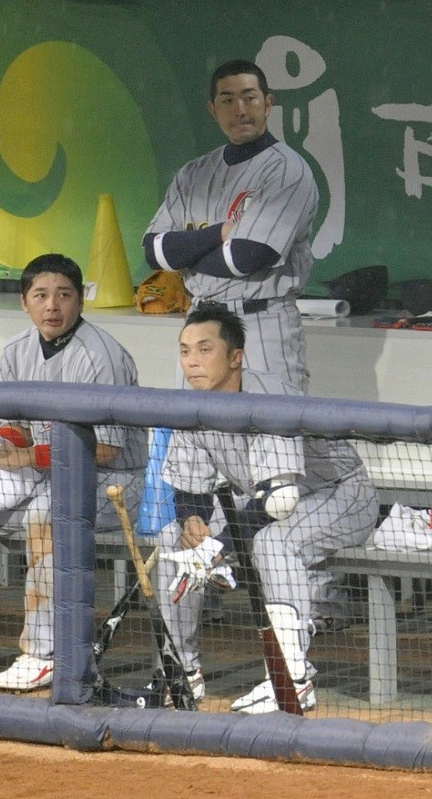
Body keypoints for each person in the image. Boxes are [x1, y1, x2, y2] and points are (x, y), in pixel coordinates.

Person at [0, 253, 145, 691]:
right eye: (41, 295)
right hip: (47, 476)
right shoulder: (16, 351)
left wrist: (25, 458)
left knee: (46, 509)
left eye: (64, 295)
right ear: (24, 302)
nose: (53, 306)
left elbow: (107, 448)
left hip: (116, 484)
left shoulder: (102, 357)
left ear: (81, 300)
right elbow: (20, 427)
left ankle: (41, 653)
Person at [154, 303, 378, 713]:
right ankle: (181, 673)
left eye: (204, 349)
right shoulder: (191, 403)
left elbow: (279, 500)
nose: (192, 361)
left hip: (339, 495)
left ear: (236, 356)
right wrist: (193, 523)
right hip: (264, 504)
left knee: (274, 545)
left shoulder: (268, 397)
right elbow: (190, 488)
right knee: (173, 540)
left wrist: (218, 545)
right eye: (185, 351)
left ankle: (292, 678)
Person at [142, 58, 318, 392]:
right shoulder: (193, 174)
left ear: (268, 103)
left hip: (260, 323)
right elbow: (155, 252)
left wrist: (187, 254)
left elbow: (247, 257)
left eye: (249, 97)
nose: (239, 109)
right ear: (213, 109)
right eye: (227, 100)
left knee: (275, 434)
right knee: (196, 436)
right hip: (201, 326)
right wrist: (217, 234)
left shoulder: (287, 170)